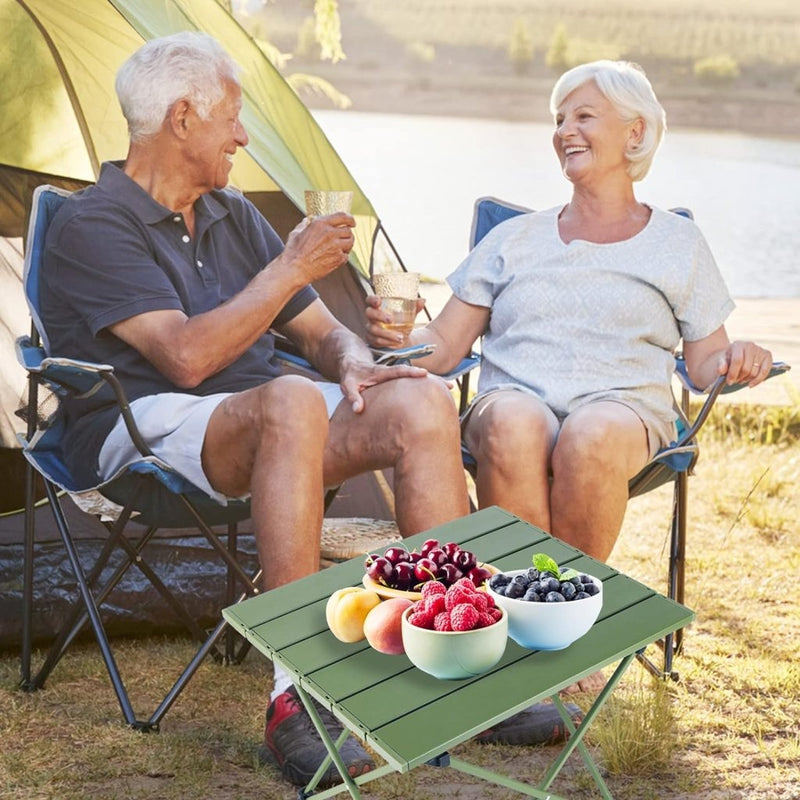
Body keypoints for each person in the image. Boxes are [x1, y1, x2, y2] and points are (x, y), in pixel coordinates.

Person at [39, 32, 473, 791]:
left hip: (275, 423)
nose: (243, 134)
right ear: (181, 119)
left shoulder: (233, 213)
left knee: (424, 402)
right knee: (289, 404)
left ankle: (443, 665)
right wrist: (288, 267)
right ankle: (295, 691)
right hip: (142, 430)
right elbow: (184, 358)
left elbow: (318, 330)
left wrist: (354, 362)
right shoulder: (92, 224)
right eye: (232, 117)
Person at [367, 60, 772, 616]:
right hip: (513, 399)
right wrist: (398, 334)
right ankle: (512, 619)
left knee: (591, 434)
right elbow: (443, 343)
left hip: (623, 410)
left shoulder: (678, 242)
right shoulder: (515, 237)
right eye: (559, 119)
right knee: (512, 424)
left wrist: (740, 358)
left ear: (635, 132)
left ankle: (562, 626)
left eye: (584, 115)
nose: (564, 132)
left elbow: (705, 365)